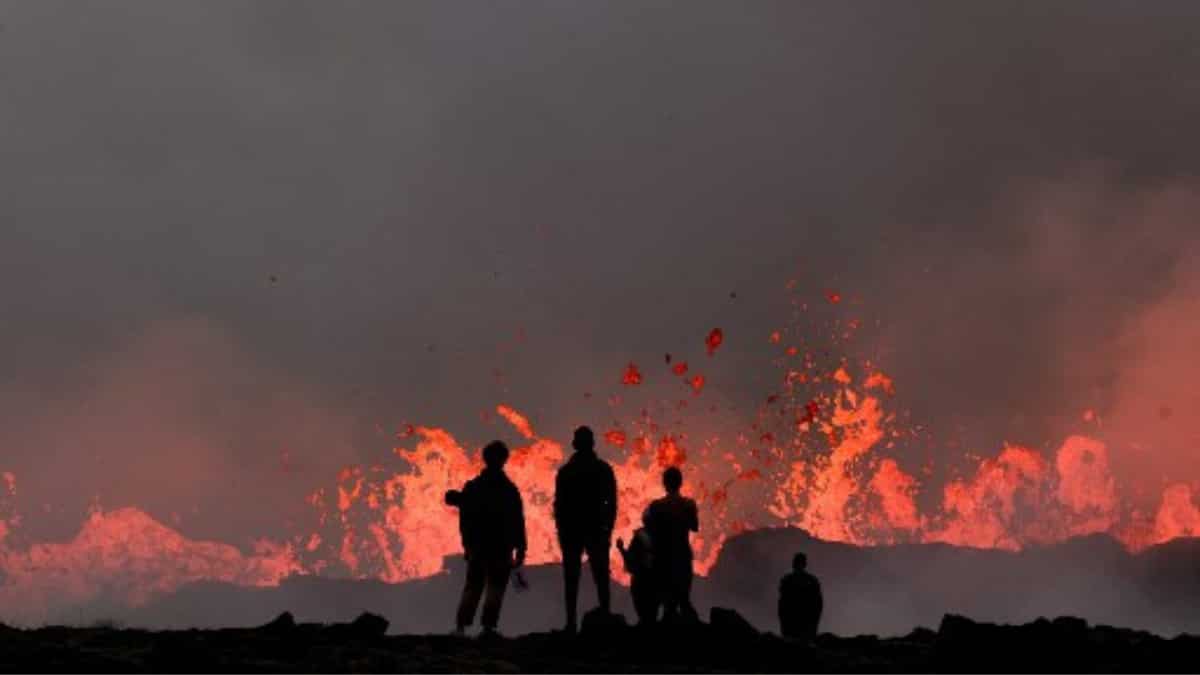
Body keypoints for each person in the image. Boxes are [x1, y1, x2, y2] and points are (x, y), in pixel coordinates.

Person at [450, 440, 527, 637]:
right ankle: (487, 628)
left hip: (478, 546)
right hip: (501, 547)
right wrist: (520, 548)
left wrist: (467, 545)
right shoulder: (509, 490)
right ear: (504, 460)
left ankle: (461, 627)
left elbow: (465, 518)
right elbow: (518, 520)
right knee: (495, 587)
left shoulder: (474, 487)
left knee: (473, 586)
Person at [553, 426, 618, 633]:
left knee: (572, 578)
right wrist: (607, 528)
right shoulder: (603, 469)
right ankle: (604, 616)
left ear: (575, 444)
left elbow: (559, 505)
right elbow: (612, 503)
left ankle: (571, 623)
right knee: (600, 575)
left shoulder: (566, 472)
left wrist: (561, 530)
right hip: (596, 529)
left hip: (573, 531)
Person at [642, 466, 699, 622]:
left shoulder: (655, 506)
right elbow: (694, 526)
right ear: (680, 483)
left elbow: (648, 527)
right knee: (683, 600)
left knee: (669, 605)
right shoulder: (689, 504)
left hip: (663, 559)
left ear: (664, 483)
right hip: (682, 558)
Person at [616, 521, 658, 626]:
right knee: (649, 613)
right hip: (653, 581)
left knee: (645, 611)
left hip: (641, 581)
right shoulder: (661, 537)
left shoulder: (640, 537)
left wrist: (621, 549)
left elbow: (631, 561)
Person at [778, 551, 823, 642]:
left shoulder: (787, 580)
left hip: (793, 624)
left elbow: (782, 605)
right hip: (805, 625)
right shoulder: (811, 581)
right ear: (805, 564)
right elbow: (818, 605)